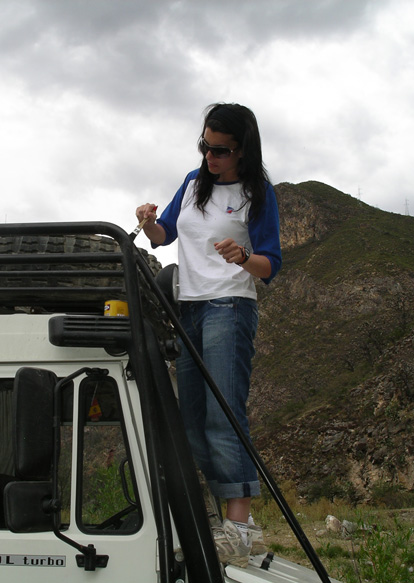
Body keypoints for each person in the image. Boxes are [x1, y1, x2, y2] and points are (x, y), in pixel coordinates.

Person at [134, 103, 281, 567]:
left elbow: (270, 264)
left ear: (242, 150)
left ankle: (240, 525)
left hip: (229, 308)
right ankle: (229, 527)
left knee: (223, 415)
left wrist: (242, 256)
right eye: (205, 145)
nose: (210, 155)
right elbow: (163, 235)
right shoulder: (192, 185)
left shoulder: (258, 193)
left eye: (220, 150)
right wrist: (146, 221)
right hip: (188, 309)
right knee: (193, 424)